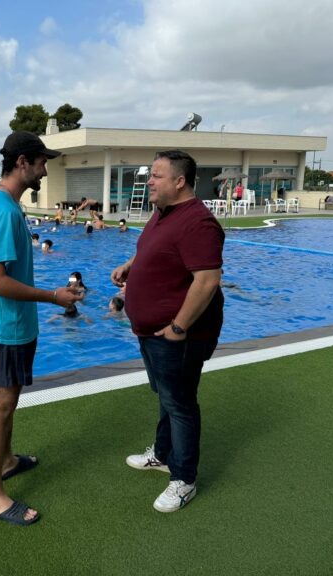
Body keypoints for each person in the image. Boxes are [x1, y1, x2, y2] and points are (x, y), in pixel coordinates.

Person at [0, 130, 82, 527]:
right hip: (5, 327)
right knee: (0, 404)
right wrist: (54, 297)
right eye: (41, 161)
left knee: (9, 399)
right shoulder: (1, 210)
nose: (45, 169)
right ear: (23, 163)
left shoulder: (1, 205)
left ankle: (6, 460)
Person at [111, 149, 224, 513]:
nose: (149, 181)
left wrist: (178, 327)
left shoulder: (199, 222)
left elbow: (206, 281)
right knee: (167, 396)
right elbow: (157, 251)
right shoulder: (161, 214)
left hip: (179, 335)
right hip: (151, 331)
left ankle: (184, 479)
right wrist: (132, 264)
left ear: (180, 181)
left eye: (157, 176)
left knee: (181, 404)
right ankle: (162, 454)